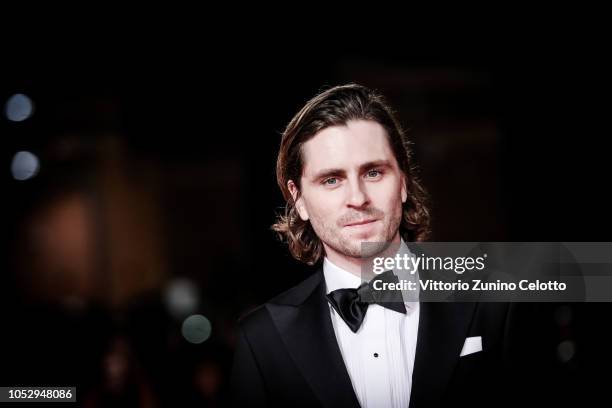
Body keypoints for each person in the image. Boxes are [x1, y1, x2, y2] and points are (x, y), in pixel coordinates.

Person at [230, 84, 529, 407]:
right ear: (298, 198)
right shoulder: (262, 338)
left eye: (373, 172)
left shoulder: (495, 298)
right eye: (332, 180)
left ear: (403, 181)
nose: (357, 198)